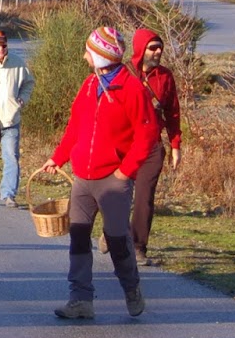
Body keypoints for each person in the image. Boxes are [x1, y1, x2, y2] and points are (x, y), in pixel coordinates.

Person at [40, 26, 155, 321]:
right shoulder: (90, 85)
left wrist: (124, 172)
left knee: (117, 240)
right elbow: (74, 128)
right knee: (78, 236)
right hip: (83, 178)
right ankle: (80, 300)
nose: (84, 56)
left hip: (113, 180)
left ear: (101, 57)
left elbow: (147, 136)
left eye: (89, 52)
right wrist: (58, 158)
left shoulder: (132, 89)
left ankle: (131, 289)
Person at [129, 28, 182, 264]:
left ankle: (138, 246)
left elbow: (173, 113)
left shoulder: (165, 77)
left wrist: (175, 145)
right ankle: (113, 233)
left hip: (152, 145)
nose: (158, 52)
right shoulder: (125, 74)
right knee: (115, 193)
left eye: (160, 47)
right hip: (125, 142)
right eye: (153, 47)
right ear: (141, 50)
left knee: (144, 196)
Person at [0, 28, 34, 208]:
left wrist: (22, 100)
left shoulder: (18, 63)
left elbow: (29, 83)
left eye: (3, 45)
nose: (1, 49)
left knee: (10, 156)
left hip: (11, 120)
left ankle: (9, 194)